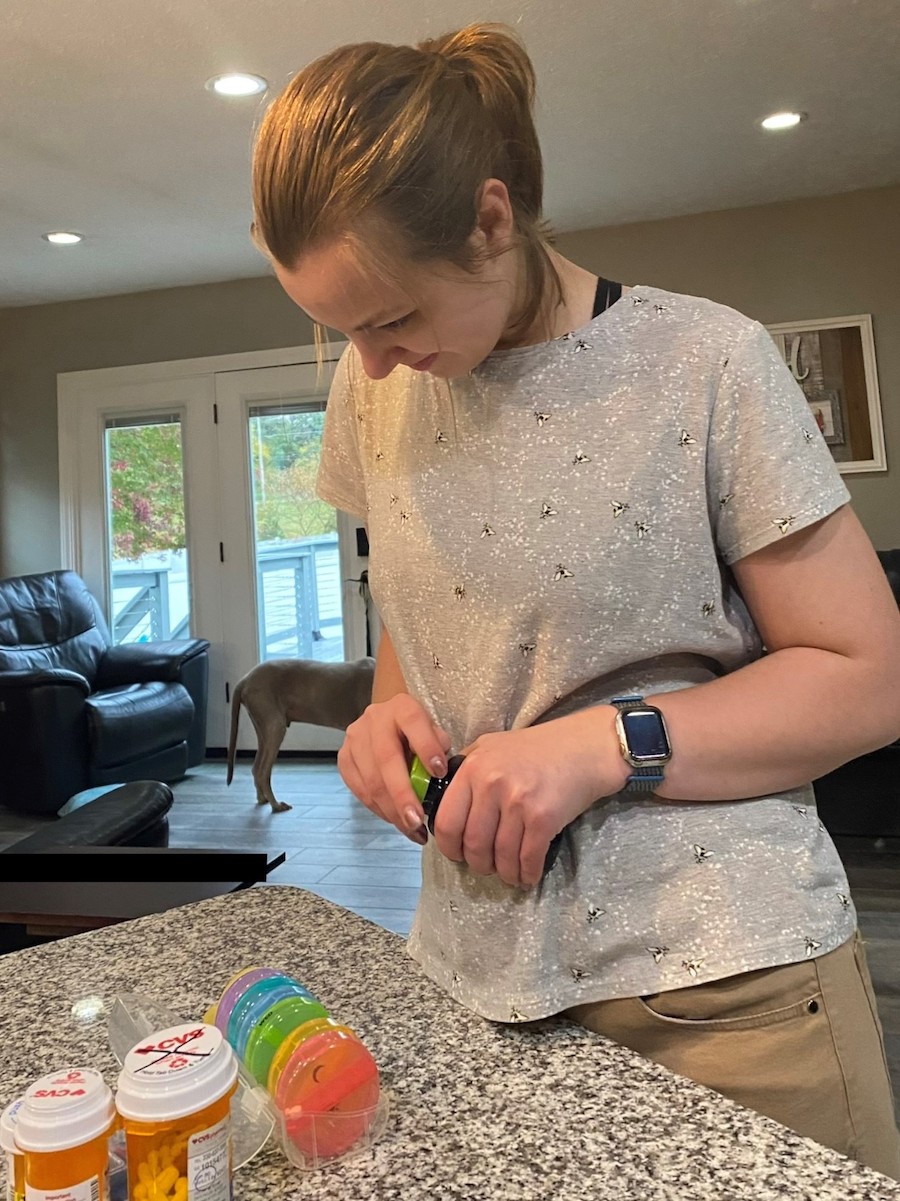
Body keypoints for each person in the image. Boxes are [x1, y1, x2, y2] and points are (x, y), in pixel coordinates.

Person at [250, 23, 900, 1177]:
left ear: (492, 221)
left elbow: (870, 675)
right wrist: (388, 713)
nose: (372, 362)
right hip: (473, 970)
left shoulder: (706, 363)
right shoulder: (374, 384)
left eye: (392, 317)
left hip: (726, 985)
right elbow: (422, 604)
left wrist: (607, 744)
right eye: (339, 329)